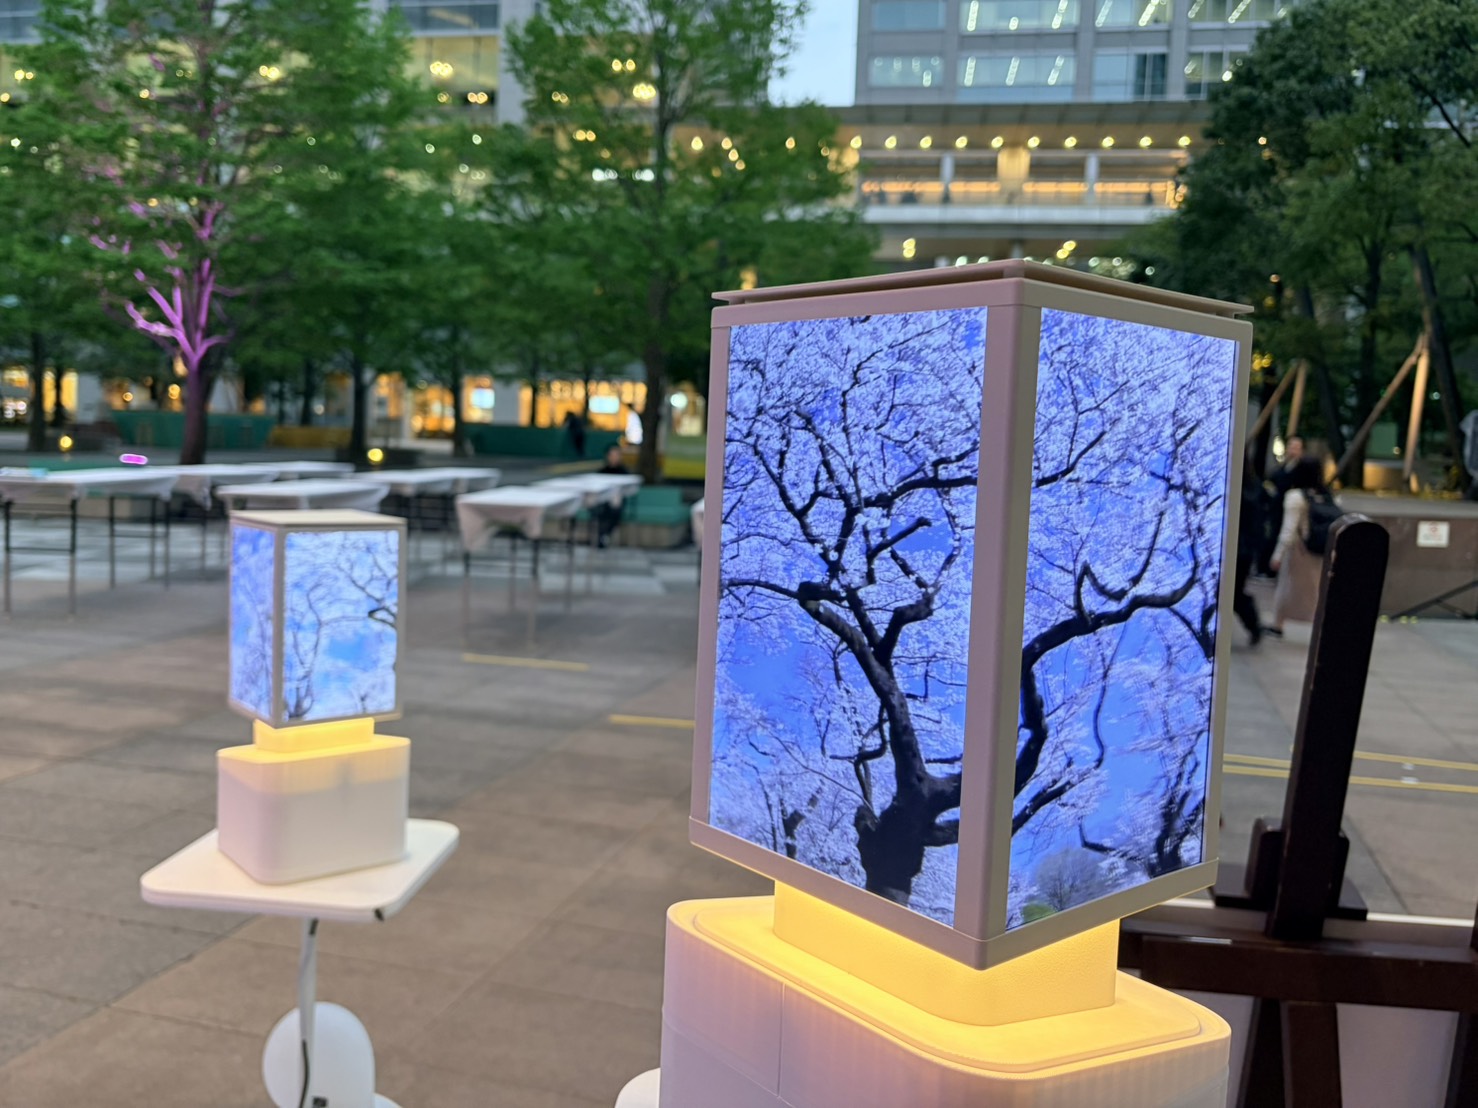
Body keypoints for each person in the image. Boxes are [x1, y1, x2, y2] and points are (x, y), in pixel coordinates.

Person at [1267, 457, 1327, 636]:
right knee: (1317, 590)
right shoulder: (1325, 496)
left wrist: (1277, 555)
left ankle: (1278, 624)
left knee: (1285, 586)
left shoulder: (1295, 497)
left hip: (1298, 550)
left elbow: (1288, 530)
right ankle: (1319, 627)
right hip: (1320, 549)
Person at [1233, 467, 1265, 646]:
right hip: (1245, 548)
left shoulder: (1238, 486)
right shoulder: (1253, 485)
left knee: (1233, 593)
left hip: (1239, 547)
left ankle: (1253, 625)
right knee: (1235, 592)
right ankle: (1253, 626)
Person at [594, 443, 628, 547]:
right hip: (602, 502)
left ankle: (604, 535)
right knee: (599, 510)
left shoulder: (624, 472)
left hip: (616, 503)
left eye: (616, 455)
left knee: (614, 509)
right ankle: (602, 536)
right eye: (612, 455)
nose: (614, 458)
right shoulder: (602, 472)